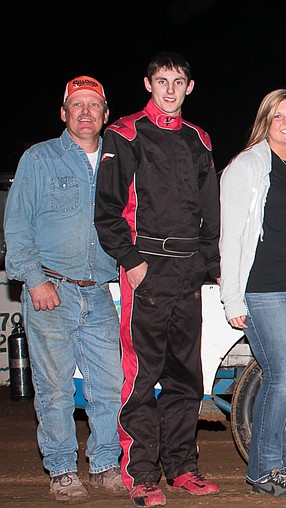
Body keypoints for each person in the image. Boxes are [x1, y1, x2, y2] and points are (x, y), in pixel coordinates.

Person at [94, 52, 221, 507]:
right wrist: (131, 260)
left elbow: (211, 210)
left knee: (186, 377)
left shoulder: (199, 139)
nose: (170, 89)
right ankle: (141, 475)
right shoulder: (124, 133)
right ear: (148, 84)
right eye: (161, 80)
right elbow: (107, 210)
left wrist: (211, 264)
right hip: (146, 268)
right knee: (142, 376)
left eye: (178, 81)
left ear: (190, 87)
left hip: (188, 272)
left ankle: (182, 468)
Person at [4, 76, 126, 503]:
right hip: (51, 291)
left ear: (106, 114)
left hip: (101, 291)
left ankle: (106, 463)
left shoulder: (117, 160)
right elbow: (17, 225)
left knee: (109, 385)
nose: (86, 112)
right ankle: (60, 469)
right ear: (64, 113)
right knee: (55, 388)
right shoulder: (39, 159)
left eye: (94, 105)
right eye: (78, 105)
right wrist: (34, 280)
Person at [219, 89, 286, 499]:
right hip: (266, 290)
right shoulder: (244, 168)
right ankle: (264, 470)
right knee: (281, 378)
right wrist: (233, 298)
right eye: (278, 115)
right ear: (266, 120)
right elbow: (231, 239)